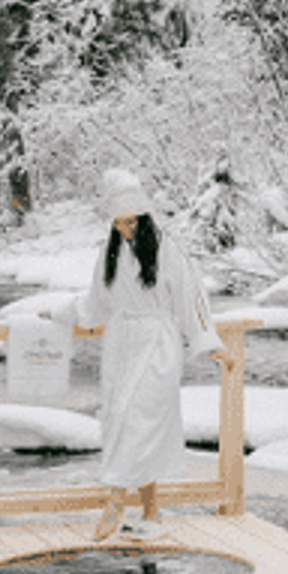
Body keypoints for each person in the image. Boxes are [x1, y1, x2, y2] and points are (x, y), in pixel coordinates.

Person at [55, 169, 223, 540]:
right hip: (120, 345)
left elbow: (192, 298)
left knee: (137, 424)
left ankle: (114, 502)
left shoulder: (168, 250)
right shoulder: (110, 252)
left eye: (131, 222)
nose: (126, 229)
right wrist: (61, 314)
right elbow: (96, 303)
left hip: (157, 345)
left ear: (145, 219)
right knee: (122, 421)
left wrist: (210, 344)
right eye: (119, 223)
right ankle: (151, 515)